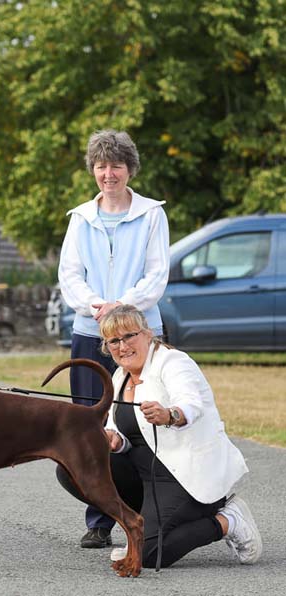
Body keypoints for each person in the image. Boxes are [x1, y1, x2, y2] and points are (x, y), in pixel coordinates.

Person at [57, 304, 262, 568]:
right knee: (73, 466)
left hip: (185, 476)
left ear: (148, 333)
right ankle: (140, 529)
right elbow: (125, 431)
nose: (123, 346)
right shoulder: (120, 375)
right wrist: (114, 440)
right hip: (146, 476)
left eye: (129, 335)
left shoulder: (173, 362)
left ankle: (226, 520)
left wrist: (171, 415)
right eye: (114, 341)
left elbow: (192, 404)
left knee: (149, 556)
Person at [57, 129, 170, 548]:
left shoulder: (152, 214)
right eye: (101, 165)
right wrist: (95, 306)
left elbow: (156, 275)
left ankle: (153, 510)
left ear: (129, 169)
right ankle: (100, 520)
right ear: (93, 170)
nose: (109, 173)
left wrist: (121, 308)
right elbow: (69, 275)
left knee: (140, 419)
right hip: (90, 333)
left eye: (116, 165)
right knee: (89, 425)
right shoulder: (80, 218)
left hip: (140, 333)